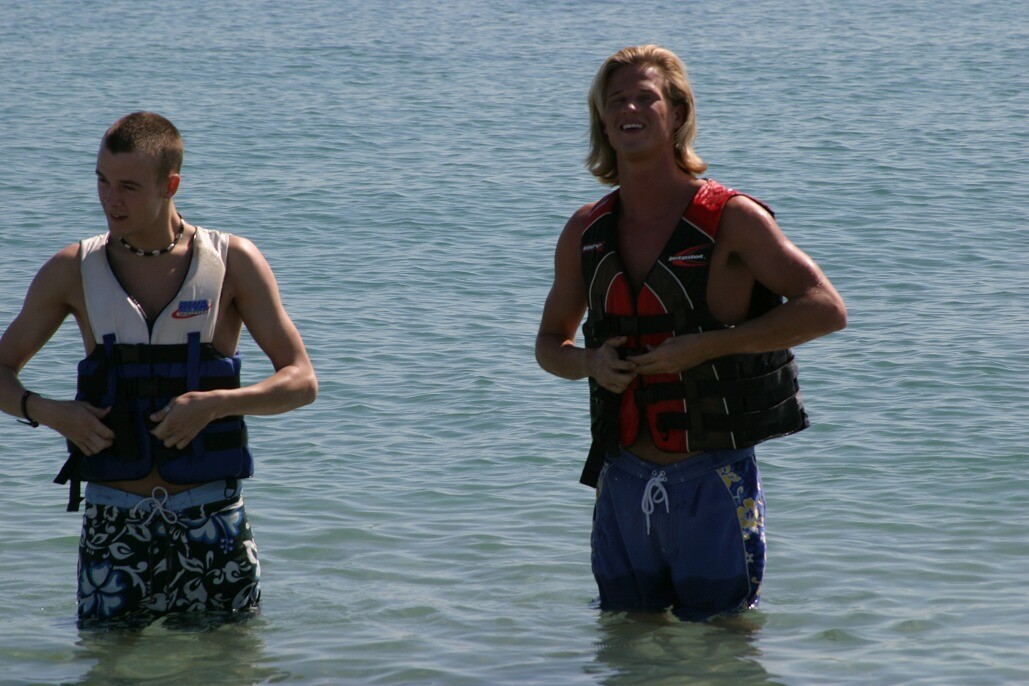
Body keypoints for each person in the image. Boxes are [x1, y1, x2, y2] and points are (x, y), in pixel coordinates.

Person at [535, 46, 846, 620]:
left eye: (645, 97)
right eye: (616, 101)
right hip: (622, 478)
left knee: (724, 650)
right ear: (603, 121)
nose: (629, 108)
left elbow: (825, 309)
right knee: (625, 645)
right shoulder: (585, 229)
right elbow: (549, 345)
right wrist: (590, 364)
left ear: (677, 113)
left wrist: (708, 345)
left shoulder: (732, 217)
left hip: (712, 478)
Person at [0, 112, 318, 625]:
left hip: (213, 519)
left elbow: (301, 381)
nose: (110, 199)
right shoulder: (72, 270)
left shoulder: (233, 261)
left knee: (229, 670)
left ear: (170, 185)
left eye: (128, 186)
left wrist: (217, 404)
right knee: (109, 672)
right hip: (113, 524)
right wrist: (50, 411)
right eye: (102, 181)